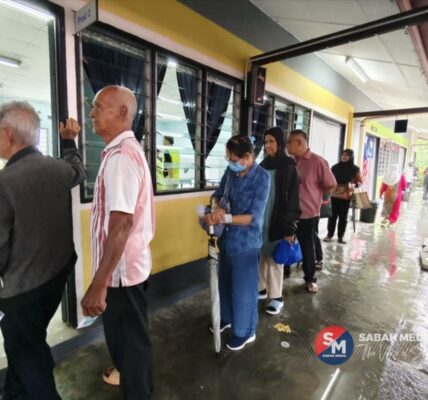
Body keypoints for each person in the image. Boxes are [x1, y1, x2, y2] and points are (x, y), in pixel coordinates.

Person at [0, 101, 85, 399]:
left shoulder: (4, 183)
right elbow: (78, 169)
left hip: (23, 291)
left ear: (8, 134)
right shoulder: (58, 169)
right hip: (56, 277)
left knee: (26, 351)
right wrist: (69, 141)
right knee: (27, 343)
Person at [81, 85, 155, 400]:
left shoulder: (122, 157)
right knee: (129, 340)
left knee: (130, 344)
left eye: (99, 106)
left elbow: (122, 223)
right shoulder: (120, 152)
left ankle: (138, 392)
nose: (92, 113)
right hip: (124, 270)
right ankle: (134, 381)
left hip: (120, 274)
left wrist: (99, 283)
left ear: (122, 112)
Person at [204, 135, 270, 350]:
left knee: (243, 290)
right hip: (226, 240)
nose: (230, 162)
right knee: (225, 283)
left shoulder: (262, 178)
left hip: (246, 243)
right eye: (228, 158)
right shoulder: (231, 172)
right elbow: (217, 195)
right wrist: (216, 207)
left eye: (233, 159)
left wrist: (225, 218)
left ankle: (245, 331)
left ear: (248, 157)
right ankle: (226, 318)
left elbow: (255, 218)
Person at [286, 130, 336, 293]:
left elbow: (330, 183)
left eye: (289, 142)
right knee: (285, 241)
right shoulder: (290, 161)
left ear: (299, 143)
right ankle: (285, 269)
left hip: (308, 213)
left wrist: (316, 195)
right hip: (289, 212)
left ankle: (310, 278)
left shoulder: (317, 161)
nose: (287, 146)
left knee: (307, 246)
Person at [258, 127, 300, 315]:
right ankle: (260, 288)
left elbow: (293, 197)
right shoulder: (262, 165)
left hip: (278, 218)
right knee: (260, 256)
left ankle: (276, 297)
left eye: (271, 141)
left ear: (280, 143)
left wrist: (290, 227)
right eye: (266, 142)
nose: (268, 145)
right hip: (261, 218)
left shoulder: (289, 166)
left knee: (275, 259)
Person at [324, 149, 362, 244]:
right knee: (332, 216)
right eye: (343, 155)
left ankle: (340, 237)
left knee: (343, 217)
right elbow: (329, 179)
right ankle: (329, 235)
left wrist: (353, 185)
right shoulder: (335, 167)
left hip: (346, 197)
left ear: (351, 157)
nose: (344, 157)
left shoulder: (355, 169)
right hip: (334, 195)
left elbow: (360, 182)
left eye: (346, 155)